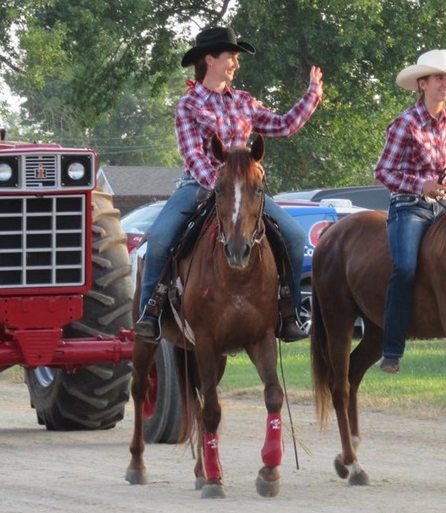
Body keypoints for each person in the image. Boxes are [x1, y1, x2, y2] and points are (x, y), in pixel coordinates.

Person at [134, 27, 323, 343]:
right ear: (210, 59)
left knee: (293, 234)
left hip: (245, 189)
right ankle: (150, 313)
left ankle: (290, 312)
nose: (236, 63)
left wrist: (312, 94)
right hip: (199, 184)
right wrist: (219, 184)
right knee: (161, 238)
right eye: (231, 57)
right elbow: (192, 154)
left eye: (236, 58)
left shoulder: (245, 102)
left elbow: (284, 126)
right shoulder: (189, 104)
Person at [373, 49, 446, 374]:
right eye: (438, 78)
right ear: (422, 84)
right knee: (404, 267)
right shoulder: (405, 123)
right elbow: (383, 172)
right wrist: (421, 185)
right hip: (409, 208)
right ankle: (392, 349)